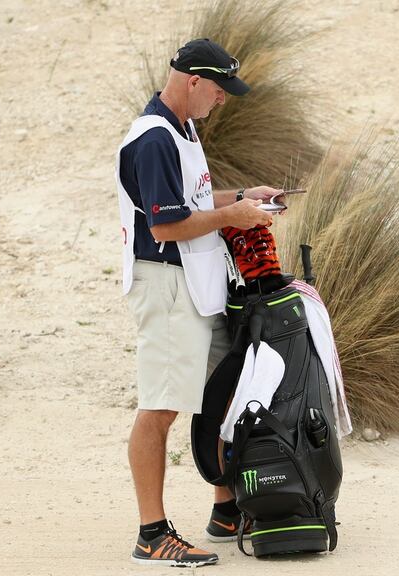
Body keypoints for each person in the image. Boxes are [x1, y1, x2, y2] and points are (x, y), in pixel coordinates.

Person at [115, 38, 279, 567]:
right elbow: (166, 224)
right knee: (159, 408)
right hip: (166, 285)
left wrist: (242, 197)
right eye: (219, 89)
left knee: (220, 394)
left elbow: (193, 203)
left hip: (192, 283)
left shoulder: (182, 130)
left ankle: (226, 511)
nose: (223, 100)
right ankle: (151, 533)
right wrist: (233, 218)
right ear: (192, 82)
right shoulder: (155, 139)